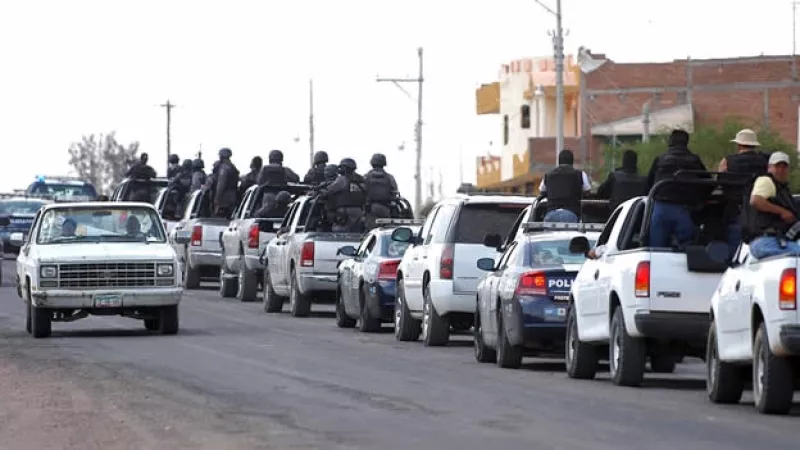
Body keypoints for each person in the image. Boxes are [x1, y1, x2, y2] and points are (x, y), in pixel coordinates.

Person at [646, 129, 708, 248]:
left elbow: (648, 185)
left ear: (670, 142)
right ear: (686, 143)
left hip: (660, 209)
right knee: (687, 251)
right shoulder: (694, 160)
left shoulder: (660, 159)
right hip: (685, 210)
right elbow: (708, 182)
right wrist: (700, 201)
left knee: (656, 249)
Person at [718, 129, 769, 258]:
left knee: (735, 248)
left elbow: (720, 181)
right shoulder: (766, 161)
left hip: (736, 209)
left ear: (739, 145)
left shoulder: (727, 161)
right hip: (760, 211)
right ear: (754, 145)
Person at [745, 151, 800, 259]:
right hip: (766, 241)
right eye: (777, 166)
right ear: (769, 168)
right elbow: (756, 200)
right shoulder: (766, 180)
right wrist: (782, 212)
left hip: (780, 242)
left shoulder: (782, 189)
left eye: (784, 167)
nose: (780, 170)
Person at [539, 149, 591, 222]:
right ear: (572, 162)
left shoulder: (548, 175)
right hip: (571, 213)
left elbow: (542, 191)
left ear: (559, 161)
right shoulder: (580, 174)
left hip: (551, 214)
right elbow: (587, 192)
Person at [320, 158, 366, 232]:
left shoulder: (342, 179)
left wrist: (321, 190)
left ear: (345, 168)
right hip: (359, 211)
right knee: (356, 234)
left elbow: (329, 191)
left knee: (339, 233)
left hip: (345, 213)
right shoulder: (361, 179)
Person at [364, 153, 399, 222]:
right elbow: (395, 192)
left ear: (372, 163)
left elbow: (362, 191)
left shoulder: (366, 177)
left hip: (370, 209)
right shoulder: (389, 177)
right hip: (386, 208)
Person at [213, 148, 240, 218]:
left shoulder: (224, 167)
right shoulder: (232, 167)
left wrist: (217, 198)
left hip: (224, 198)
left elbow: (221, 183)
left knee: (221, 218)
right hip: (233, 196)